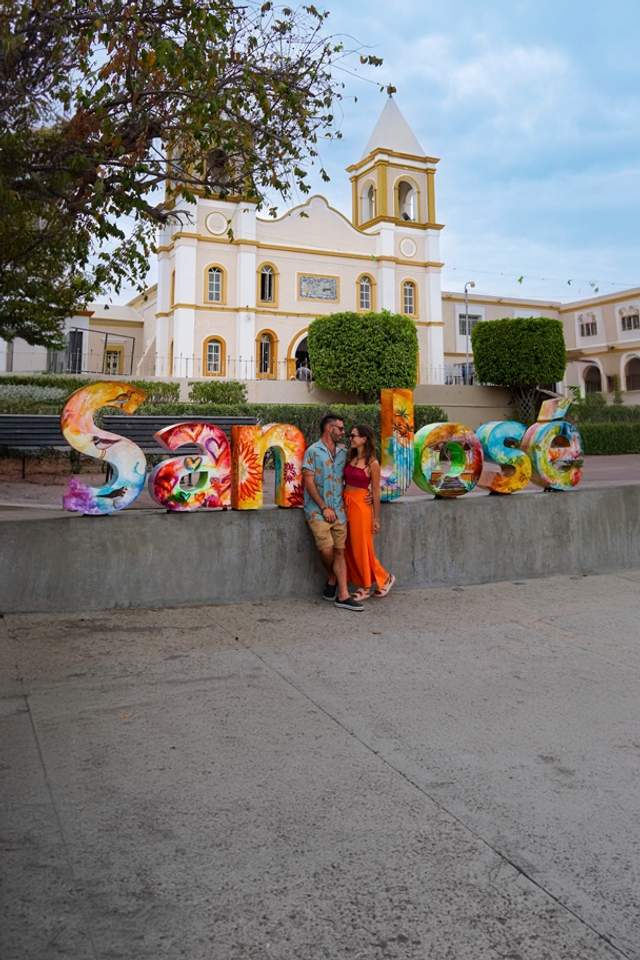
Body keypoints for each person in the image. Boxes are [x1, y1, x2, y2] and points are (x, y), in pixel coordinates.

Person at [302, 414, 364, 612]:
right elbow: (308, 481)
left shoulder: (344, 452)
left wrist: (369, 491)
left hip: (340, 510)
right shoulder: (313, 451)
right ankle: (332, 577)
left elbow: (361, 467)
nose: (343, 433)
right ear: (329, 428)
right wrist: (323, 507)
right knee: (326, 549)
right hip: (317, 511)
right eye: (340, 429)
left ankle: (343, 595)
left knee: (339, 550)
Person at [344, 424, 395, 601]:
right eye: (350, 436)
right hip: (347, 503)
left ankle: (366, 586)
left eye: (354, 436)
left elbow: (375, 491)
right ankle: (384, 577)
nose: (351, 438)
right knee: (349, 547)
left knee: (362, 547)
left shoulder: (372, 463)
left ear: (364, 439)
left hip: (361, 507)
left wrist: (376, 518)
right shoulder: (350, 457)